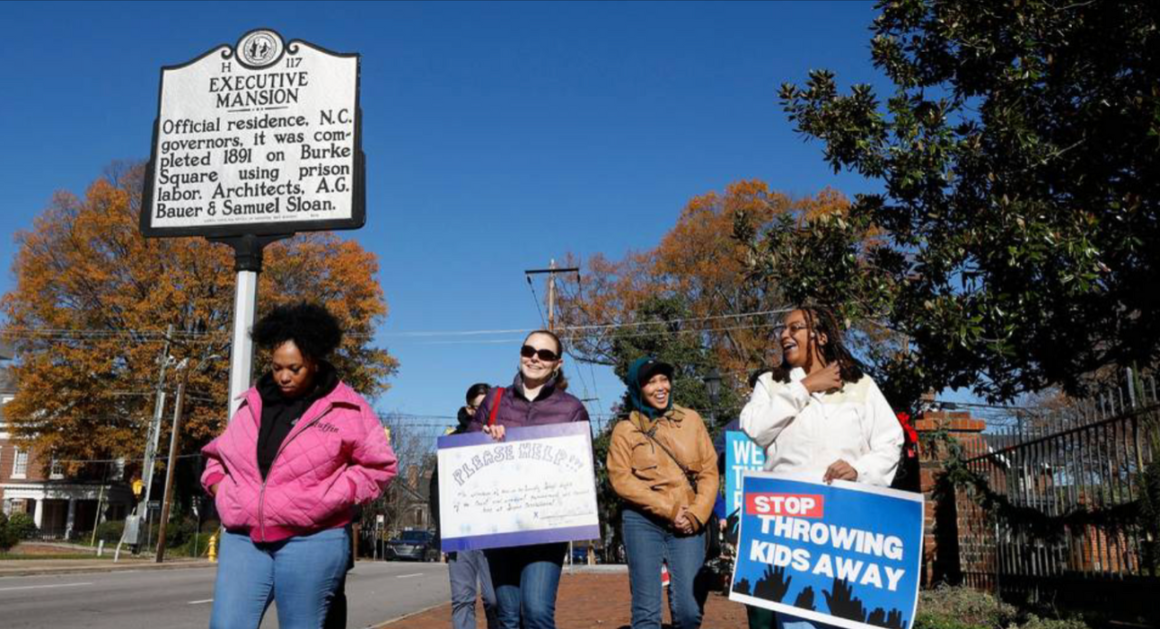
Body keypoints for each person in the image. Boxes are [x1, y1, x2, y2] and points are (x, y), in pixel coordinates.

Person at [202, 302, 398, 629]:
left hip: (313, 541)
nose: (283, 376)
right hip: (244, 539)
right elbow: (216, 457)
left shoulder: (347, 408)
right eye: (277, 366)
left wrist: (334, 496)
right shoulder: (251, 403)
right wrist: (220, 490)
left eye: (295, 368)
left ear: (315, 362)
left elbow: (379, 467)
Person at [740, 306, 903, 629]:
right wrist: (805, 387)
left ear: (822, 336)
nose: (785, 335)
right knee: (798, 619)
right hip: (793, 531)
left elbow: (890, 441)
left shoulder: (861, 386)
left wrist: (859, 470)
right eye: (783, 330)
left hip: (849, 533)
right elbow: (755, 428)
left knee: (850, 614)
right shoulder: (771, 384)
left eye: (795, 328)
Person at [469, 329, 591, 629]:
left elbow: (584, 468)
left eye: (545, 354)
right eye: (529, 350)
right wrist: (484, 437)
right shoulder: (495, 401)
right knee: (506, 614)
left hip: (547, 528)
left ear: (557, 364)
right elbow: (466, 448)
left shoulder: (571, 408)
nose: (535, 358)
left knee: (536, 611)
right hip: (501, 523)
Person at [606, 357, 719, 629]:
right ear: (637, 387)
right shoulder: (624, 431)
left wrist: (695, 514)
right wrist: (668, 509)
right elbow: (620, 479)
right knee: (646, 612)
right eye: (650, 381)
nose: (660, 387)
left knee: (689, 611)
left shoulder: (691, 420)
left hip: (689, 521)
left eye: (664, 379)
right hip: (642, 522)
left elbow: (709, 472)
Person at [429, 383, 500, 629]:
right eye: (480, 407)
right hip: (460, 533)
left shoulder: (503, 438)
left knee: (494, 599)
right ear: (470, 410)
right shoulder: (453, 442)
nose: (486, 412)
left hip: (495, 533)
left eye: (490, 407)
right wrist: (443, 532)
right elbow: (437, 489)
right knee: (462, 600)